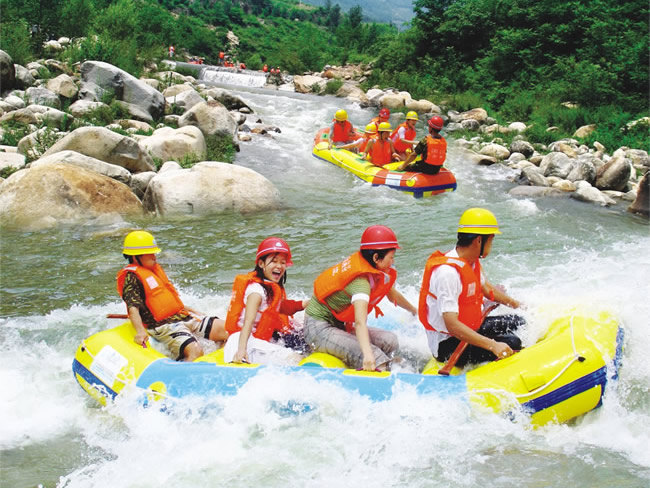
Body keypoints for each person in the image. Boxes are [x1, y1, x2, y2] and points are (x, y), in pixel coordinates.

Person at [417, 208, 525, 367]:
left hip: (469, 327)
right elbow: (452, 325)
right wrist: (493, 345)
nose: (492, 245)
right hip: (447, 344)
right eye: (491, 240)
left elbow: (487, 289)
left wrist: (518, 305)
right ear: (478, 241)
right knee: (513, 342)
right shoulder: (447, 273)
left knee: (517, 321)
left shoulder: (470, 261)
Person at [303, 225, 418, 371]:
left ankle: (384, 366)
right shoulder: (360, 284)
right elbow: (359, 323)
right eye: (391, 257)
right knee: (375, 357)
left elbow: (392, 294)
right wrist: (368, 356)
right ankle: (379, 368)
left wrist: (414, 310)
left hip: (340, 324)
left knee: (391, 341)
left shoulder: (375, 272)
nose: (393, 262)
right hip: (318, 328)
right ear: (376, 257)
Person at [117, 231, 228, 361]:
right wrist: (140, 332)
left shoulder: (153, 271)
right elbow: (133, 308)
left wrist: (188, 308)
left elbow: (165, 301)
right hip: (164, 326)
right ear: (136, 257)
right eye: (150, 253)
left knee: (230, 331)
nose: (154, 256)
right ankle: (187, 375)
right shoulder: (132, 278)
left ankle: (222, 364)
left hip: (183, 317)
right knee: (195, 351)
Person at [224, 237, 309, 364]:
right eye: (274, 261)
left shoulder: (267, 287)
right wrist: (241, 351)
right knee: (297, 359)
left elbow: (282, 307)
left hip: (252, 341)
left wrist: (305, 304)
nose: (279, 266)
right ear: (261, 264)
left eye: (283, 262)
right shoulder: (256, 292)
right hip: (244, 343)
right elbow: (248, 321)